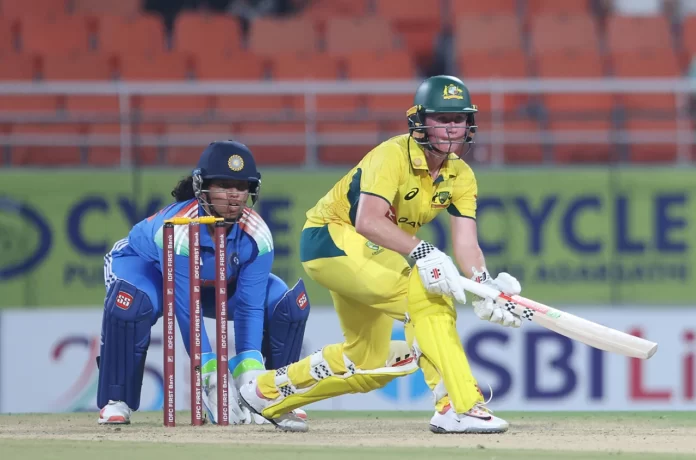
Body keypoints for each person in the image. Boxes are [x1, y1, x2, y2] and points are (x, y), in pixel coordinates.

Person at [239, 75, 522, 434]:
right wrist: (423, 251)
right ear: (420, 121)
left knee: (367, 361)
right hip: (329, 237)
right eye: (442, 119)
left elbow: (467, 243)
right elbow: (368, 221)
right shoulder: (392, 155)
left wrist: (483, 284)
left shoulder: (461, 176)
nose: (452, 128)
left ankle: (266, 393)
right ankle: (458, 404)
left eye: (459, 119)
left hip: (368, 254)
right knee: (427, 295)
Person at [96, 140, 310, 431]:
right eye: (224, 185)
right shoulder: (180, 229)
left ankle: (276, 397)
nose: (234, 195)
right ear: (202, 187)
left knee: (286, 305)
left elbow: (249, 307)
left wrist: (250, 374)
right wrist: (209, 373)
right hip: (148, 269)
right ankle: (116, 399)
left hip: (214, 283)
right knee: (131, 304)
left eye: (241, 186)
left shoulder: (257, 233)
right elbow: (187, 308)